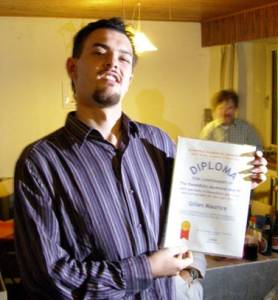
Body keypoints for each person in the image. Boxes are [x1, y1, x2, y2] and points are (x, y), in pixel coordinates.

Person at [14, 18, 266, 300]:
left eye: (124, 58)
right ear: (73, 68)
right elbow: (48, 276)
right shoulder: (40, 163)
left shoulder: (159, 141)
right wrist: (145, 268)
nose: (113, 62)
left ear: (130, 77)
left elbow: (196, 209)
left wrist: (241, 181)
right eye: (99, 52)